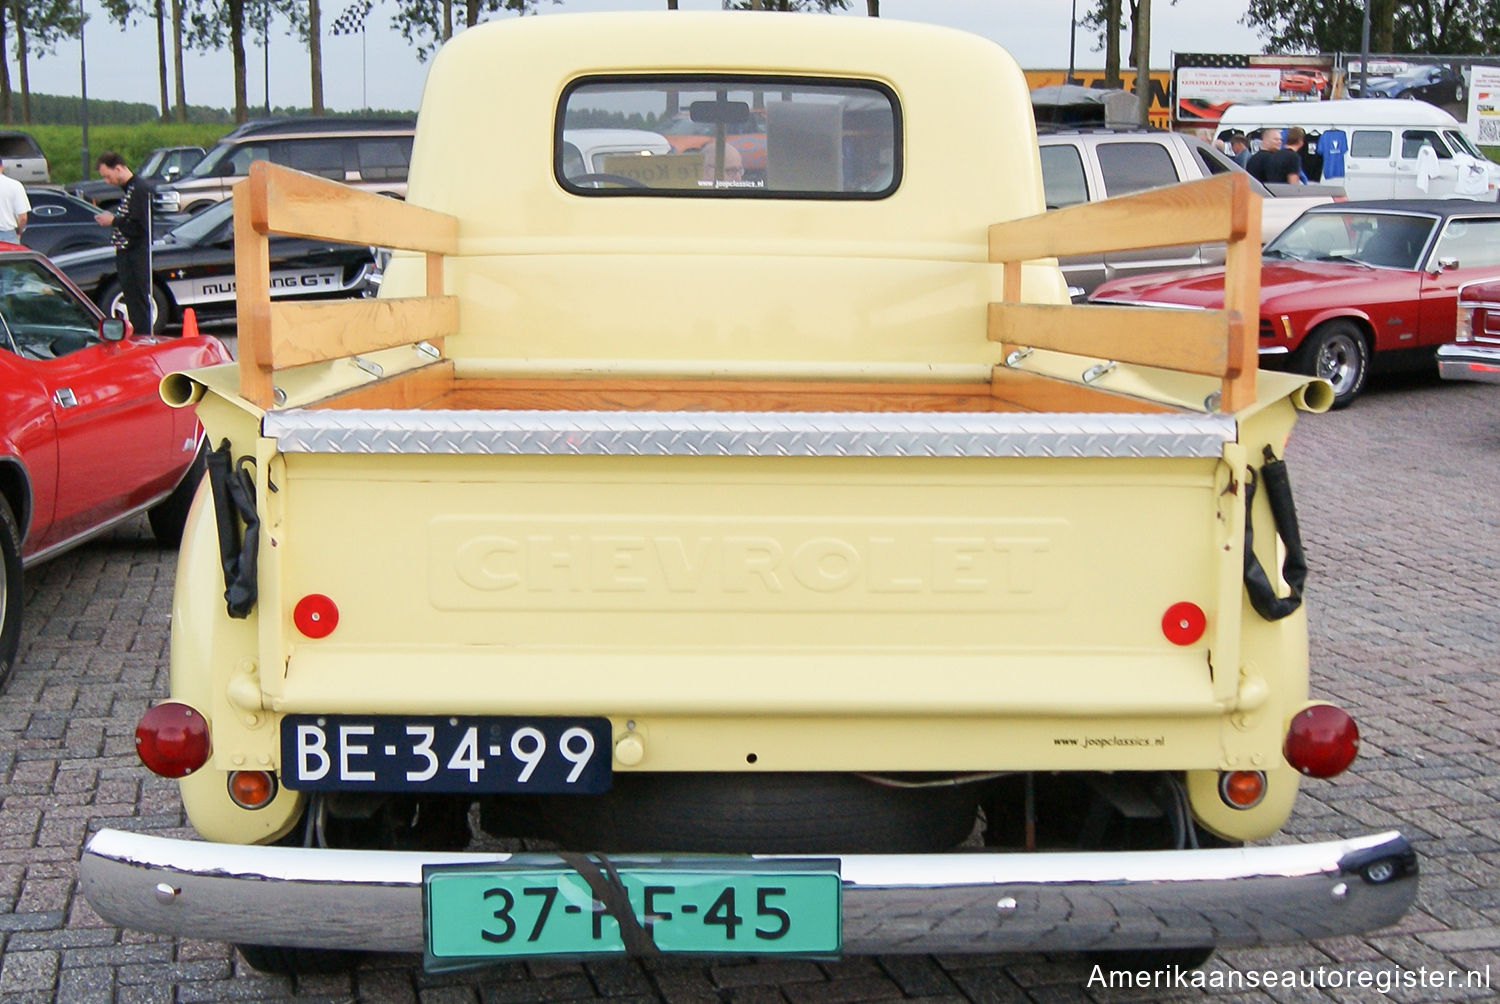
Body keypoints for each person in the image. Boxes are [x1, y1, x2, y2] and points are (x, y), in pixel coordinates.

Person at [92, 151, 154, 334]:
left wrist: (114, 221)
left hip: (135, 253)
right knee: (132, 297)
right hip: (127, 252)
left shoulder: (139, 189)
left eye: (108, 176)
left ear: (118, 168)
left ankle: (143, 335)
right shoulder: (130, 189)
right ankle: (139, 333)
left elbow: (140, 227)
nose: (107, 181)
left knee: (138, 299)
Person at [0, 163, 30, 244]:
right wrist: (19, 232)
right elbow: (23, 217)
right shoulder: (15, 185)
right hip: (7, 236)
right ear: (2, 167)